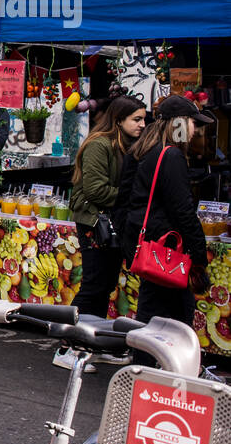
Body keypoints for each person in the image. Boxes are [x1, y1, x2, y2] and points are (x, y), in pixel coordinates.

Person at [124, 95, 215, 329]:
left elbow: (125, 199)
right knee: (175, 318)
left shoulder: (142, 150)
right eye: (193, 123)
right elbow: (183, 210)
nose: (195, 130)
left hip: (147, 244)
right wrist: (198, 255)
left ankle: (146, 362)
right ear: (180, 124)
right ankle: (157, 364)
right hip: (166, 249)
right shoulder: (171, 155)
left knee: (153, 312)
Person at [68, 96, 146, 318]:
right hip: (95, 221)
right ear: (119, 120)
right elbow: (95, 190)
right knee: (94, 285)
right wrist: (132, 199)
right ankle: (69, 338)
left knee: (105, 285)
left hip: (114, 221)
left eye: (143, 119)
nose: (142, 124)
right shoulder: (99, 145)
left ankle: (91, 335)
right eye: (136, 119)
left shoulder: (129, 145)